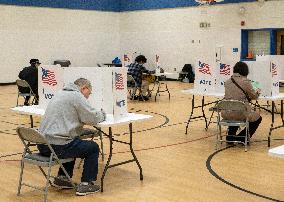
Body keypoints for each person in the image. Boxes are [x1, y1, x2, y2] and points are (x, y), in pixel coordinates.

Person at [37, 78, 106, 196]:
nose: (87, 97)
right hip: (57, 147)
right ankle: (86, 184)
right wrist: (102, 114)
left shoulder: (60, 93)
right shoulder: (76, 96)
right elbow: (92, 118)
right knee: (93, 147)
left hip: (43, 145)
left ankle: (62, 177)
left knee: (73, 141)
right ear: (84, 88)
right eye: (88, 93)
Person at [223, 61, 262, 143]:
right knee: (258, 118)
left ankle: (230, 136)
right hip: (240, 113)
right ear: (245, 71)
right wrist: (258, 92)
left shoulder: (227, 82)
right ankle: (242, 137)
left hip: (226, 112)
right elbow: (254, 96)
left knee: (234, 108)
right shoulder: (246, 82)